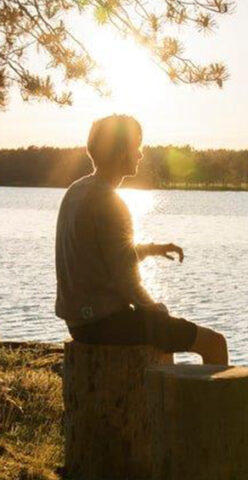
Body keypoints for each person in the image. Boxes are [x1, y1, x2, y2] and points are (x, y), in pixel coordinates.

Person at [55, 114, 228, 364]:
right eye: (137, 146)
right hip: (104, 323)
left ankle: (165, 397)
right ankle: (213, 403)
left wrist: (151, 250)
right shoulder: (110, 201)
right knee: (213, 343)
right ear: (121, 153)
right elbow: (126, 278)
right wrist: (154, 307)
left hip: (78, 322)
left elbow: (106, 255)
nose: (141, 154)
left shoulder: (77, 190)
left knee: (159, 324)